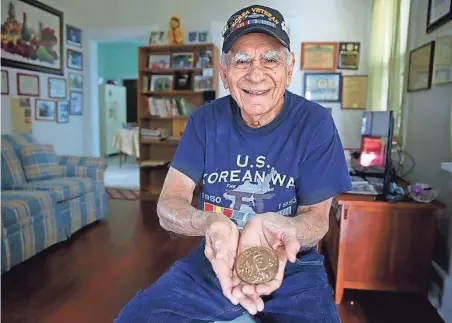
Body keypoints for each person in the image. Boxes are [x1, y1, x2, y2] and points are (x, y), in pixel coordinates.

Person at [114, 4, 351, 323]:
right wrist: (210, 223)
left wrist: (289, 229)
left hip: (293, 266)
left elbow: (318, 219)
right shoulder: (203, 122)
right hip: (216, 258)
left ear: (289, 68)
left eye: (270, 59)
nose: (256, 73)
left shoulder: (315, 123)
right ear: (224, 73)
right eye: (241, 60)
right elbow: (169, 205)